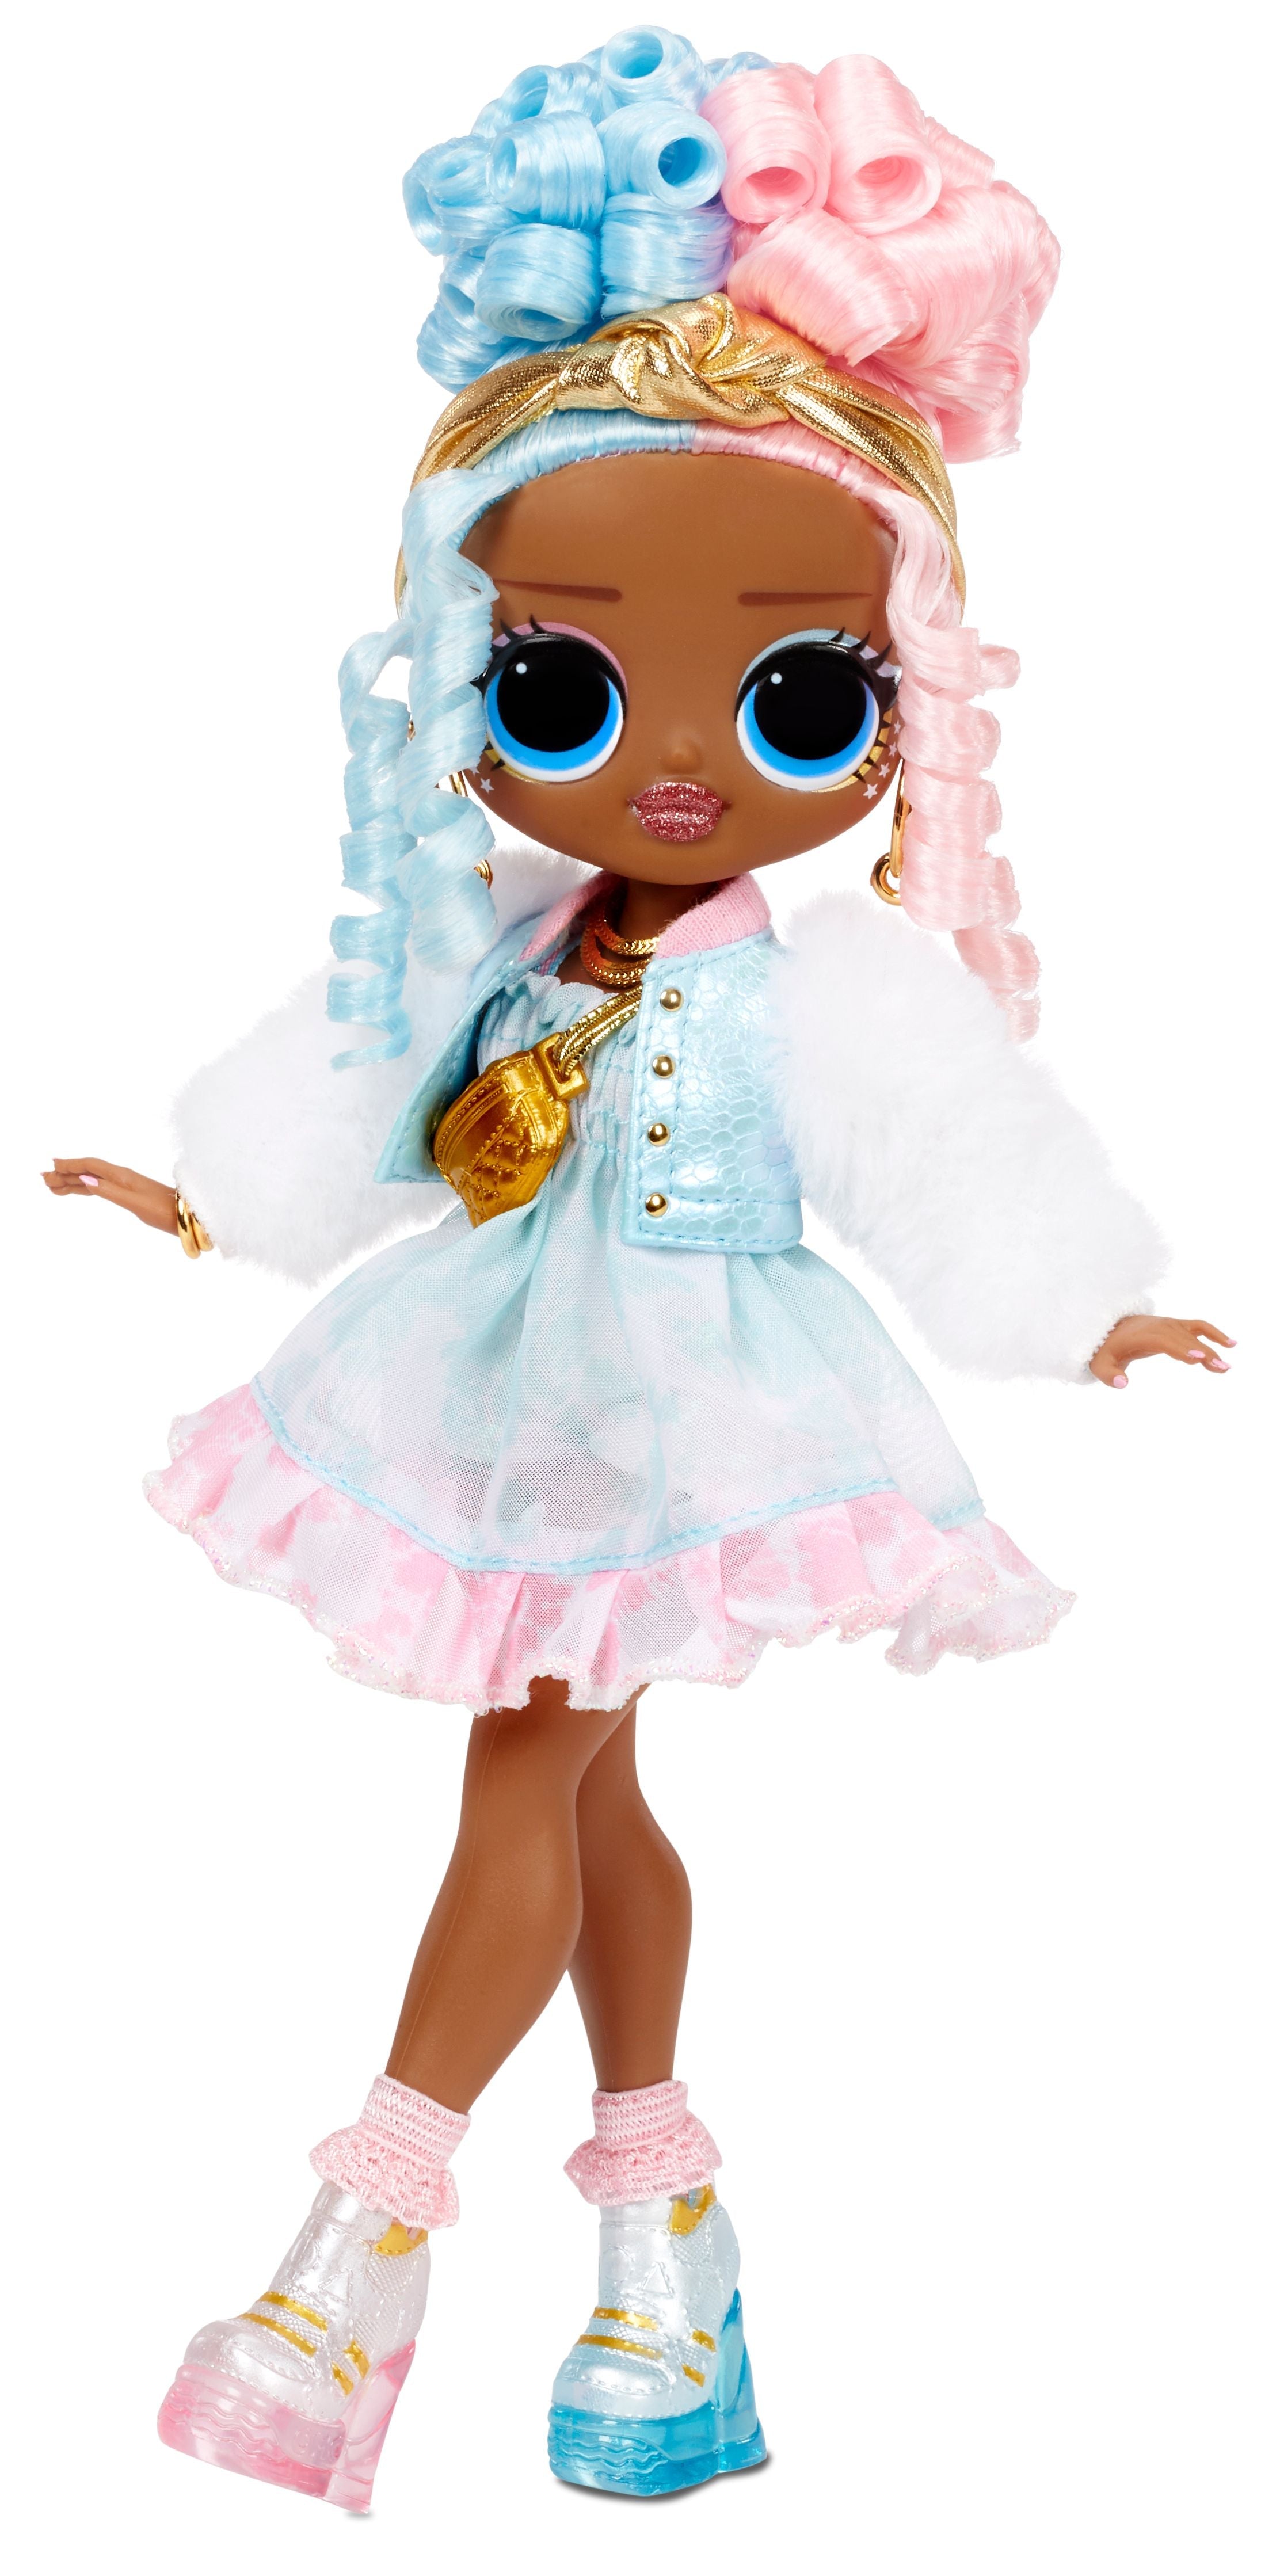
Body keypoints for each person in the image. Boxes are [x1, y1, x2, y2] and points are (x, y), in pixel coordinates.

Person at [44, 27, 1231, 2508]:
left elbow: (954, 1150)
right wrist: (213, 1191)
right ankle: (662, 2228)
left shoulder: (828, 983)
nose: (673, 763)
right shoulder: (508, 922)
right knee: (589, 1797)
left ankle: (358, 2241)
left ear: (892, 695)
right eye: (564, 687)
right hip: (493, 1384)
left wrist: (1076, 1302)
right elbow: (361, 1077)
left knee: (527, 1760)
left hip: (709, 1409)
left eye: (791, 696)